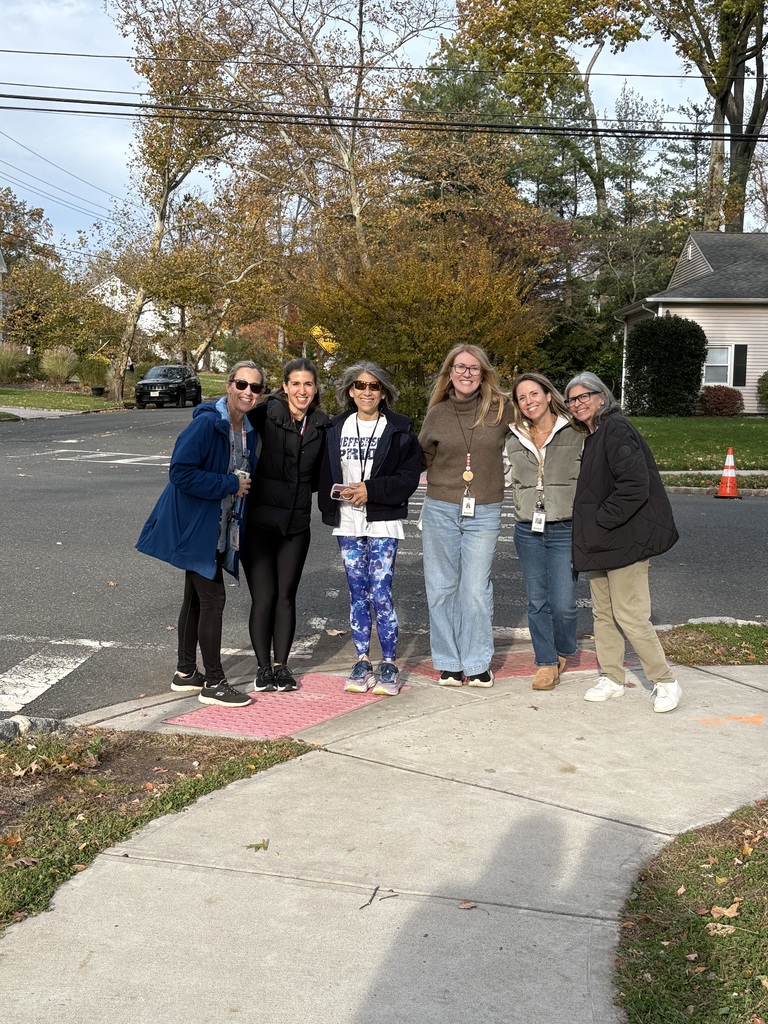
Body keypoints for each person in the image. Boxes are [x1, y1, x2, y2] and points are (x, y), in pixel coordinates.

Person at [136, 361, 264, 707]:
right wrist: (229, 483)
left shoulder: (247, 430)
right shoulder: (209, 424)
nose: (247, 392)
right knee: (213, 599)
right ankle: (215, 682)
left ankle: (185, 672)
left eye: (255, 387)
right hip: (197, 527)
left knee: (194, 597)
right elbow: (180, 472)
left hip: (219, 526)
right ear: (228, 385)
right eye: (241, 384)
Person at [564, 371, 682, 713]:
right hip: (601, 541)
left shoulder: (615, 428)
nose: (578, 403)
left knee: (630, 614)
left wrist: (602, 521)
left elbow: (634, 485)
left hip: (623, 538)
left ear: (602, 397)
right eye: (572, 399)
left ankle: (665, 681)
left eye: (584, 396)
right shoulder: (594, 435)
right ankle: (613, 678)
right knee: (603, 614)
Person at [318, 361, 422, 696]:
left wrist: (371, 491)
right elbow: (323, 472)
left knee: (380, 591)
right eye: (360, 385)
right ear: (350, 390)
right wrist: (333, 499)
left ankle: (389, 662)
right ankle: (362, 660)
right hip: (347, 522)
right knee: (357, 594)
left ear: (383, 392)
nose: (366, 391)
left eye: (374, 386)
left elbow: (407, 479)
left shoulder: (400, 430)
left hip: (383, 522)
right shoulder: (335, 428)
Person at [419, 345, 513, 688]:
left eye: (474, 368)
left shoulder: (502, 410)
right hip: (440, 508)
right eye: (460, 368)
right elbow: (420, 459)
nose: (467, 374)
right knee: (442, 587)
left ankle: (476, 663)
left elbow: (534, 433)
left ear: (484, 373)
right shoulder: (437, 414)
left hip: (484, 509)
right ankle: (448, 662)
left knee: (474, 589)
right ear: (450, 372)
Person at [242, 358, 330, 693]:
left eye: (308, 384)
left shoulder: (321, 424)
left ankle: (282, 666)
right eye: (296, 383)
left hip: (296, 525)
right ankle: (263, 668)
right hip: (260, 523)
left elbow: (325, 473)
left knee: (286, 598)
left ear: (316, 388)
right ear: (285, 386)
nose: (302, 390)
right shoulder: (267, 414)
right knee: (264, 597)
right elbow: (234, 419)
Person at [504, 373, 584, 690]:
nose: (529, 401)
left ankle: (563, 648)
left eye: (534, 394)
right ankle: (546, 663)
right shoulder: (512, 438)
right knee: (537, 600)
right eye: (522, 398)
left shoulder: (576, 432)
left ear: (548, 396)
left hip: (566, 527)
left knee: (563, 604)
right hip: (528, 530)